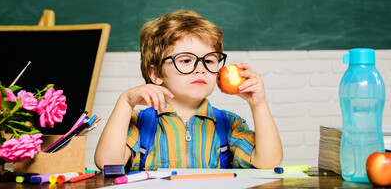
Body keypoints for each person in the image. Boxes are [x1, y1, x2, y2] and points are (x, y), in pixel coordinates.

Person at [94, 10, 282, 171]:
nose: (200, 68)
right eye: (185, 60)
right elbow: (108, 163)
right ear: (156, 73)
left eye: (209, 61)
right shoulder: (139, 124)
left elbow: (268, 162)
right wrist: (125, 102)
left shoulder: (227, 124)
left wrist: (258, 104)